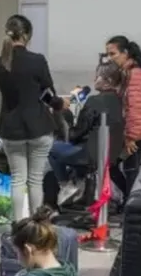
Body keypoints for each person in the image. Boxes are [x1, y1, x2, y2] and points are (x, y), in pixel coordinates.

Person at [0, 14, 57, 219]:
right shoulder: (37, 60)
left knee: (17, 179)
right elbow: (48, 93)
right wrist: (59, 104)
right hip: (38, 127)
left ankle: (17, 226)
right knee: (35, 179)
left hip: (11, 129)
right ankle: (37, 225)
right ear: (27, 35)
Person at [47, 62, 125, 193]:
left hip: (91, 154)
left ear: (108, 81)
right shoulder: (119, 100)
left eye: (97, 76)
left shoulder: (95, 101)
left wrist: (66, 120)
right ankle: (79, 186)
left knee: (50, 148)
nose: (94, 80)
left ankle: (66, 186)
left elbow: (76, 134)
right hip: (112, 153)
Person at [105, 37, 141, 199]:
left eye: (113, 54)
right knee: (128, 169)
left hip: (138, 131)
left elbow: (135, 108)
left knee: (121, 167)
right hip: (136, 129)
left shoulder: (135, 74)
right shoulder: (126, 72)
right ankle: (130, 201)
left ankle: (131, 203)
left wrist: (130, 138)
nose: (110, 58)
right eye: (108, 54)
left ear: (125, 53)